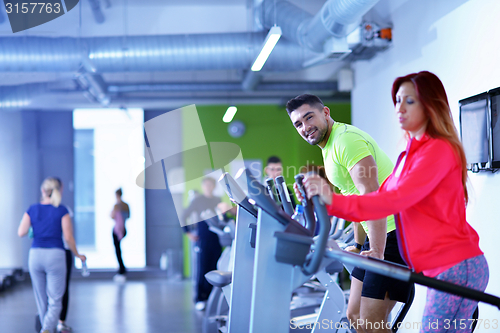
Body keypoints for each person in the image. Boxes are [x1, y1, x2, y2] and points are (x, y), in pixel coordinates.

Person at [301, 71, 489, 332]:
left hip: (457, 267)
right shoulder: (410, 153)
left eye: (409, 101)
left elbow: (389, 202)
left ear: (430, 104)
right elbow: (376, 197)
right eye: (397, 100)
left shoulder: (438, 150)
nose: (399, 108)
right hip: (441, 266)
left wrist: (331, 202)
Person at [286, 94, 412, 333]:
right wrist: (358, 243)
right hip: (378, 233)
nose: (305, 127)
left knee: (371, 324)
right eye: (298, 124)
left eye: (309, 117)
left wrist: (376, 250)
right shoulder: (330, 144)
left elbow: (370, 195)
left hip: (396, 233)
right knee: (354, 315)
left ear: (325, 112)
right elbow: (354, 195)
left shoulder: (346, 141)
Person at [18, 177, 86, 333]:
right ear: (58, 190)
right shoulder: (62, 210)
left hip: (35, 255)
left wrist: (34, 228)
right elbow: (68, 238)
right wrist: (77, 254)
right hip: (55, 256)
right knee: (55, 300)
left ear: (42, 191)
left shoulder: (32, 209)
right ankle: (47, 330)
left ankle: (47, 328)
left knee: (42, 300)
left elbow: (21, 232)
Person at [182, 177, 222, 311]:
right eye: (206, 185)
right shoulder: (197, 201)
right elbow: (184, 216)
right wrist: (188, 233)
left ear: (214, 186)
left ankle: (211, 297)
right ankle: (200, 298)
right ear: (203, 186)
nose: (208, 187)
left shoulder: (217, 200)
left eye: (211, 184)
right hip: (202, 239)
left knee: (214, 268)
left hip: (216, 239)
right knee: (202, 269)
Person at [110, 188, 130, 282]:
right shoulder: (126, 206)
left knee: (118, 250)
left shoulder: (116, 206)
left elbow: (112, 216)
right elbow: (129, 216)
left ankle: (122, 269)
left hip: (117, 230)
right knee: (119, 250)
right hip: (124, 229)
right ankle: (121, 269)